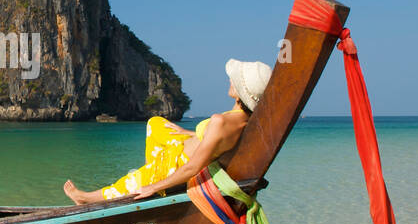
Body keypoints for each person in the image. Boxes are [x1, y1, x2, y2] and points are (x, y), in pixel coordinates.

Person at [63, 59, 273, 204]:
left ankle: (86, 198)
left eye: (235, 80)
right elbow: (214, 142)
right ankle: (151, 169)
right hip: (182, 148)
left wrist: (154, 186)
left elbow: (192, 168)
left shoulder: (221, 121)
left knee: (131, 183)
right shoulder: (242, 122)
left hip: (176, 164)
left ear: (241, 93)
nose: (230, 80)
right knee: (156, 123)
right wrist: (188, 133)